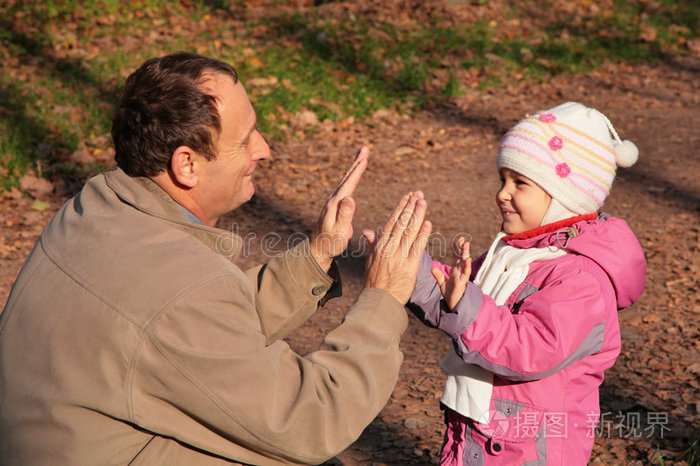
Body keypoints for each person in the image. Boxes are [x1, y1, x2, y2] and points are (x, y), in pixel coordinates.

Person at [0, 52, 433, 465]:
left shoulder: (93, 209)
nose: (263, 149)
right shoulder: (181, 288)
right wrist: (383, 297)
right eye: (245, 141)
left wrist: (316, 255)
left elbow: (194, 331)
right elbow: (311, 420)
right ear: (186, 164)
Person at [408, 102, 646, 465]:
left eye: (519, 183)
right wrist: (409, 267)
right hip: (477, 433)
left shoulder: (581, 281)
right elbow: (459, 293)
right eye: (502, 179)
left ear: (566, 197)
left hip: (531, 449)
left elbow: (529, 349)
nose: (502, 192)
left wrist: (465, 303)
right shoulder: (513, 252)